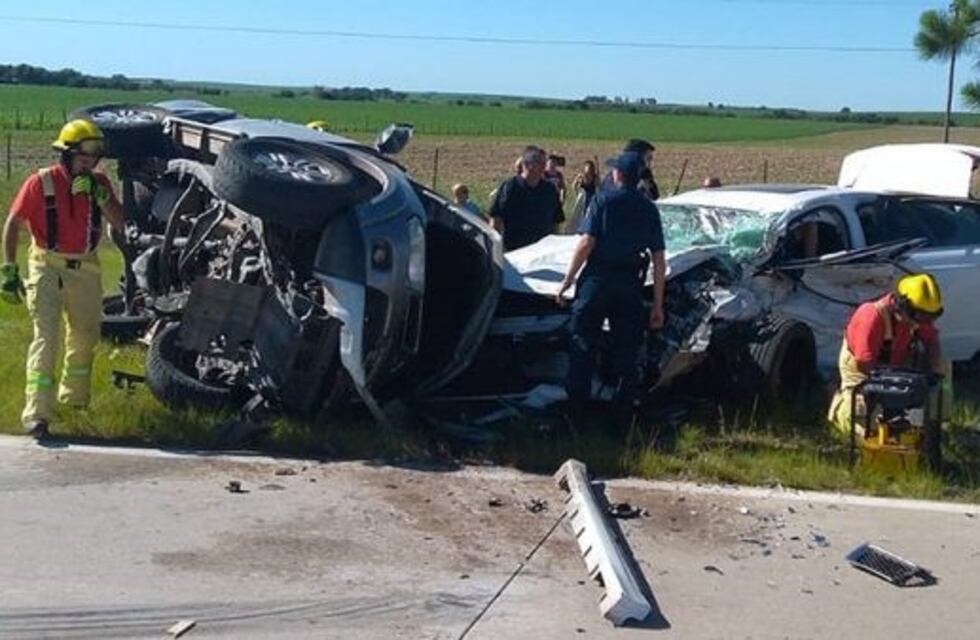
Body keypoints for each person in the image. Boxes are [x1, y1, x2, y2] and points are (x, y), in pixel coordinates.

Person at [1, 119, 124, 439]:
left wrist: (101, 196)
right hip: (47, 265)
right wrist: (9, 268)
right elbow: (13, 223)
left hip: (86, 267)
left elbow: (120, 222)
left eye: (93, 157)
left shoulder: (99, 183)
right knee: (47, 336)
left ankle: (74, 401)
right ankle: (37, 414)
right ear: (66, 155)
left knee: (85, 336)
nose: (89, 162)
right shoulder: (40, 182)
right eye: (83, 156)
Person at [556, 151, 666, 416]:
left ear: (617, 174)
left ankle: (576, 409)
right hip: (630, 283)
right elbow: (659, 258)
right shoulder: (649, 209)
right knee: (626, 348)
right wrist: (657, 305)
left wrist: (567, 280)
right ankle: (622, 411)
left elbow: (586, 242)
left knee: (583, 340)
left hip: (597, 279)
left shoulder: (603, 200)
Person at [827, 273, 944, 435]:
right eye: (921, 316)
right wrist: (895, 390)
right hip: (864, 376)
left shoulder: (917, 317)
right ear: (902, 306)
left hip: (898, 371)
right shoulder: (871, 316)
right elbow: (864, 364)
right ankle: (841, 407)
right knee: (868, 431)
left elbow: (931, 340)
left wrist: (935, 374)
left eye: (930, 317)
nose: (924, 322)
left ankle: (936, 424)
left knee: (940, 379)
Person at [489, 147, 564, 251]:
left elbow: (556, 222)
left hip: (543, 252)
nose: (544, 166)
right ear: (527, 164)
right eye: (539, 162)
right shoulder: (510, 187)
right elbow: (496, 219)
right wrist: (496, 248)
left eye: (544, 162)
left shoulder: (550, 190)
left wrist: (554, 247)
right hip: (514, 251)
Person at [565, 160, 599, 233]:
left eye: (590, 172)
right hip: (581, 204)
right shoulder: (581, 180)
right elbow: (573, 187)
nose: (588, 175)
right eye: (586, 172)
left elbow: (599, 189)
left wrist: (597, 182)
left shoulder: (595, 181)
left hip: (591, 203)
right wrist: (577, 181)